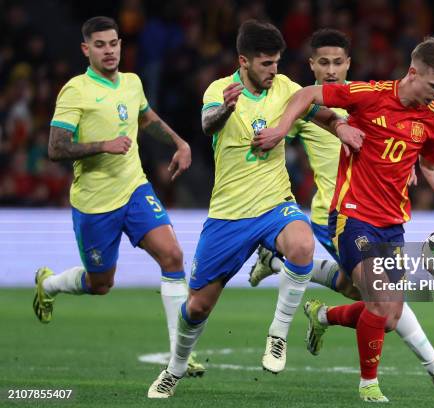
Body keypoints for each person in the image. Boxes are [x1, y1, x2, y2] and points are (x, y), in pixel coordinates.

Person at [253, 36, 434, 402]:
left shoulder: (432, 117)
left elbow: (431, 165)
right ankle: (369, 384)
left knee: (390, 313)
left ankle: (323, 317)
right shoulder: (370, 94)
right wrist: (283, 129)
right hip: (352, 217)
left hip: (392, 225)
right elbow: (306, 95)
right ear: (413, 73)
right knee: (381, 302)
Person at [147, 20, 364, 398]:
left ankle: (278, 334)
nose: (273, 70)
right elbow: (206, 123)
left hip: (275, 203)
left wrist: (342, 128)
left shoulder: (285, 89)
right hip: (229, 215)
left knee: (301, 245)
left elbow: (320, 112)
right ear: (243, 61)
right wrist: (226, 110)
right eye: (265, 64)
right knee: (197, 307)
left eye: (276, 62)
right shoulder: (220, 90)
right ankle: (175, 367)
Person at [33, 16, 204, 377]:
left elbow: (145, 118)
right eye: (100, 45)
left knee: (172, 256)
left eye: (113, 43)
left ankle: (180, 355)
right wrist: (102, 145)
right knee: (101, 284)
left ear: (121, 46)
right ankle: (47, 284)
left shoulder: (131, 82)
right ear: (86, 49)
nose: (109, 51)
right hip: (95, 203)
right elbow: (56, 148)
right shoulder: (75, 91)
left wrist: (178, 142)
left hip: (134, 189)